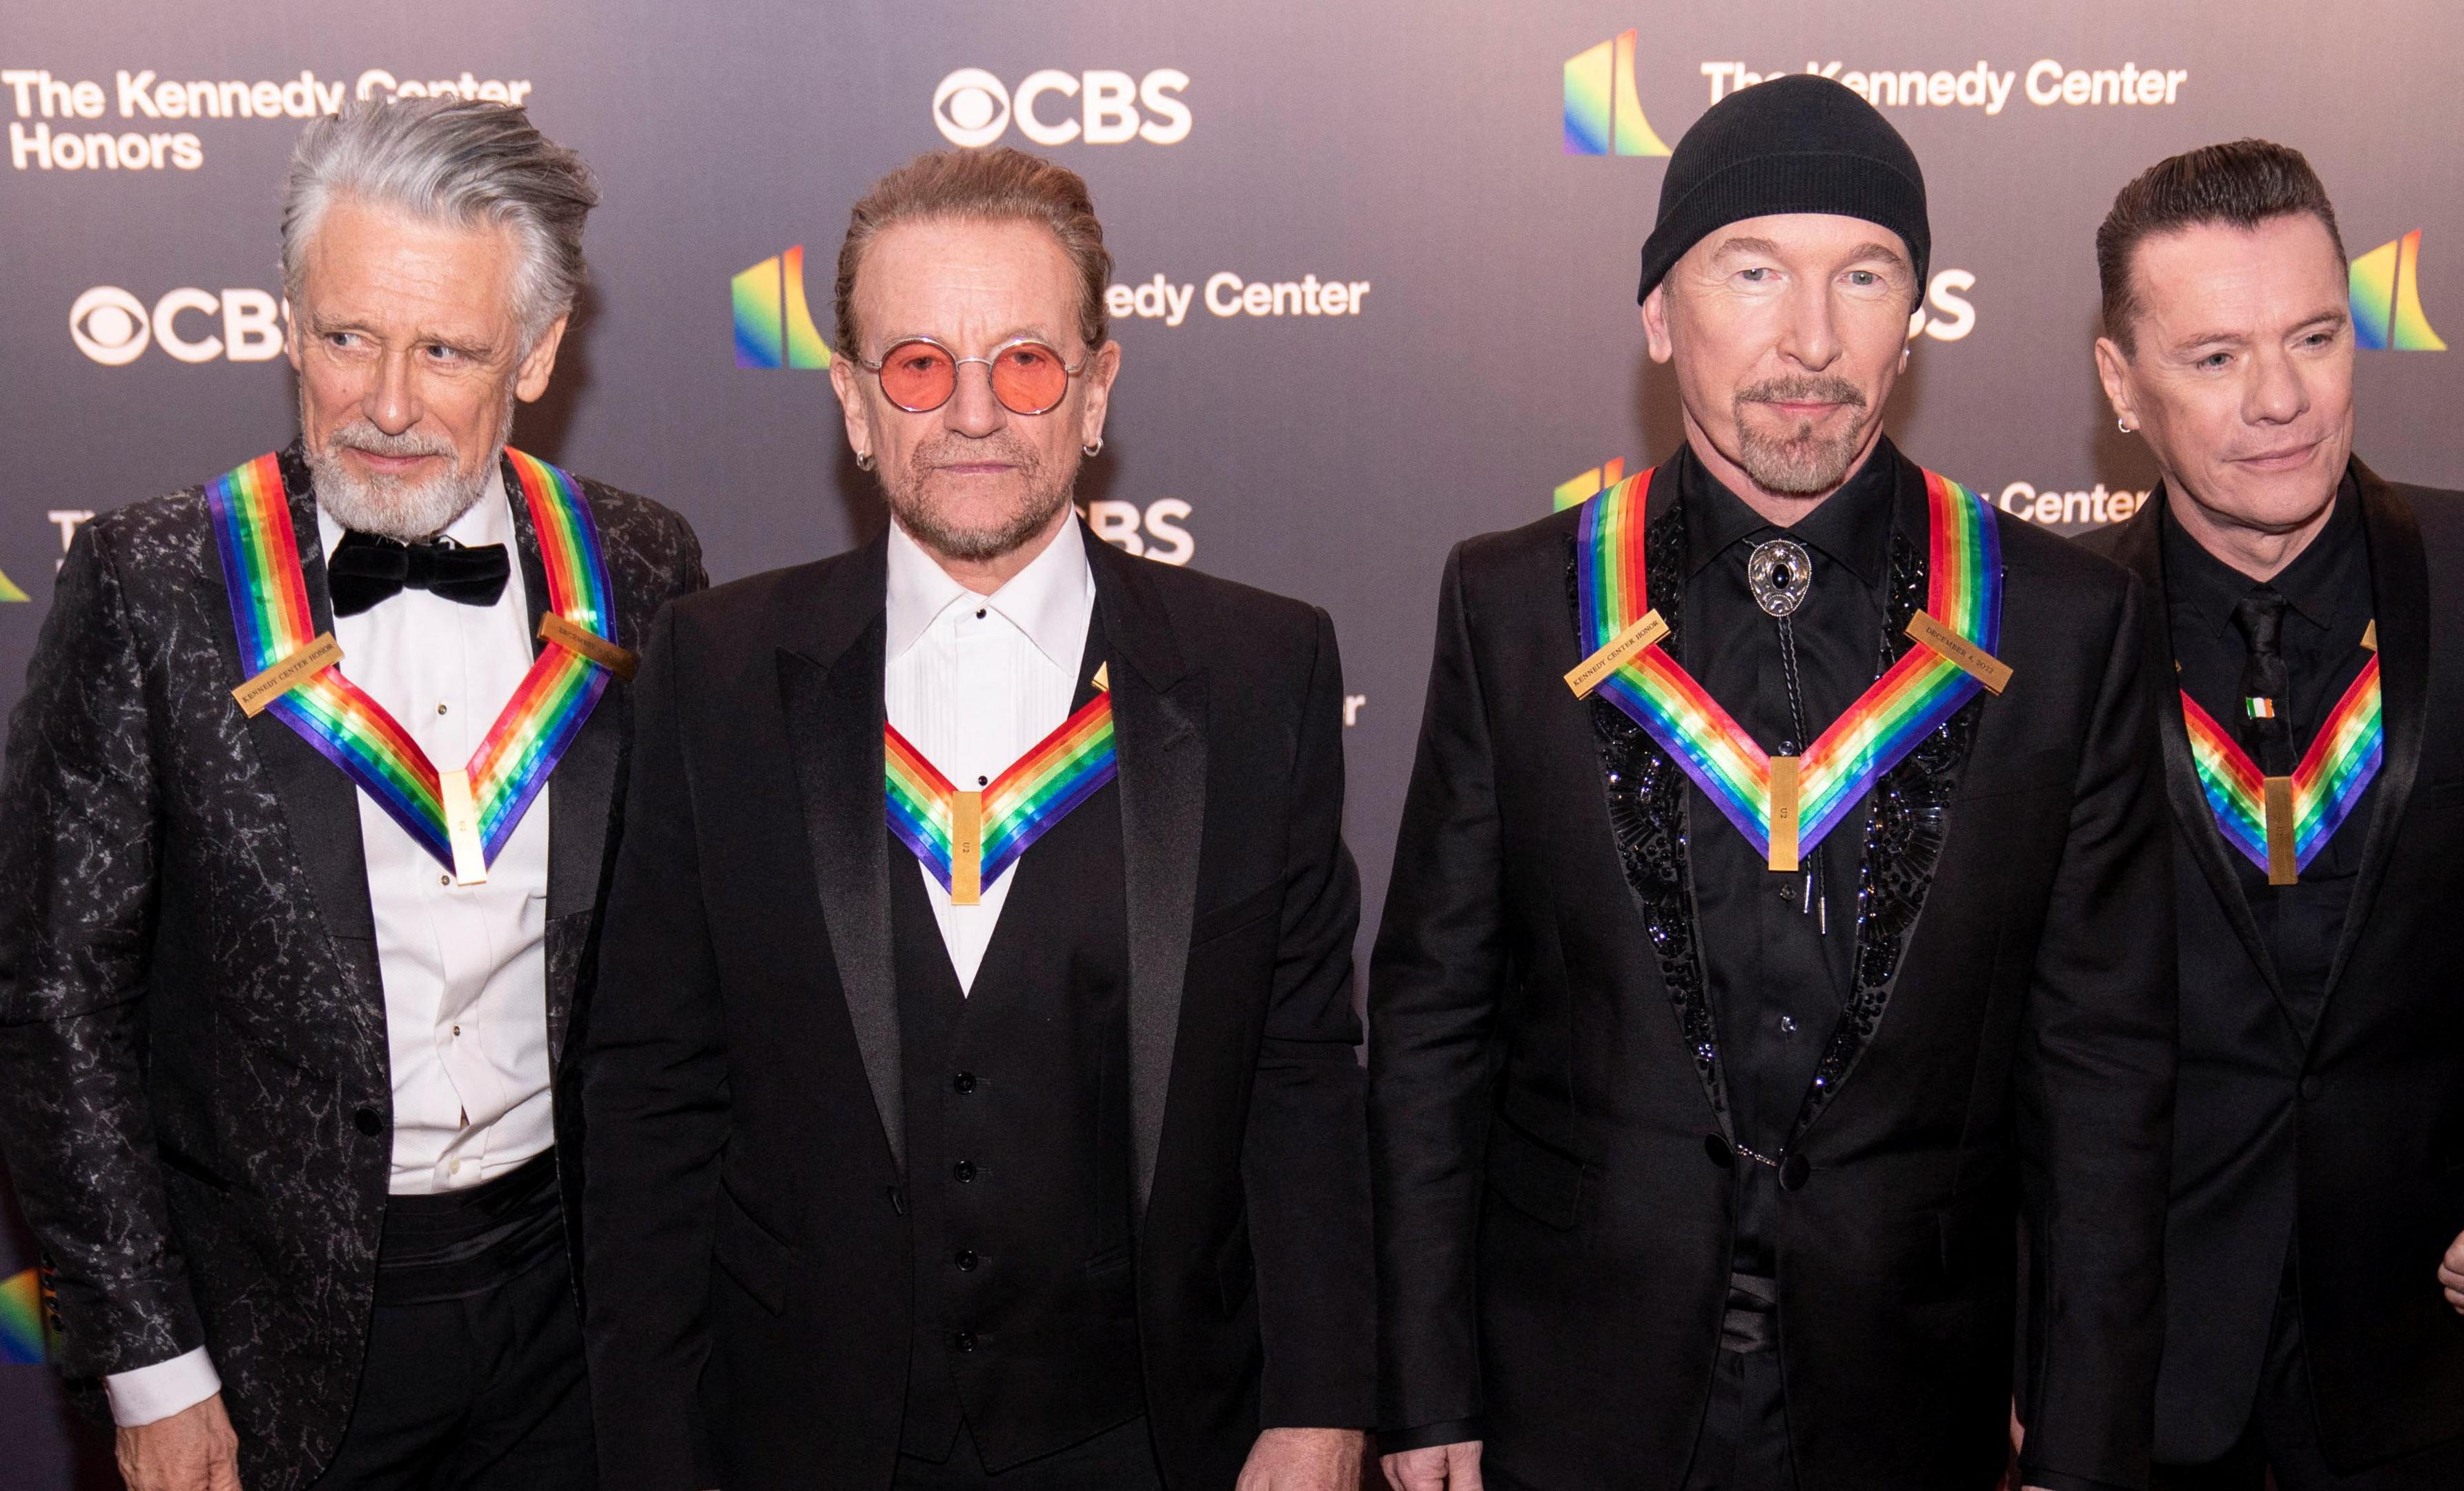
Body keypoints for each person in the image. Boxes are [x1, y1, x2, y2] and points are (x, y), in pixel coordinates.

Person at [1369, 75, 2178, 1491]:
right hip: (1572, 1391)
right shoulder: (1515, 602)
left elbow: (2101, 1065)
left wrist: (2087, 1429)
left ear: (1915, 317)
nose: (1811, 339)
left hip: (1914, 1401)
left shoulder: (2061, 623)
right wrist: (1427, 1393)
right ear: (1659, 314)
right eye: (1755, 272)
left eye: (1864, 276)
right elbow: (1437, 1022)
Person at [577, 145, 1371, 1491]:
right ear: (851, 401)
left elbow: (1299, 1070)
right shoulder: (713, 672)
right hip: (804, 1438)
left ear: (1098, 386)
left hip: (1150, 1435)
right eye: (919, 365)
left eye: (1025, 361)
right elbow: (652, 1090)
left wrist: (1319, 1402)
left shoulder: (1258, 672)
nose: (975, 414)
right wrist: (656, 1448)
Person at [0, 97, 706, 1491]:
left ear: (541, 352)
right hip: (268, 1333)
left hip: (576, 1313)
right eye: (346, 338)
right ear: (288, 325)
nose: (386, 402)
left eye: (444, 349)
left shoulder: (639, 560)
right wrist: (149, 1362)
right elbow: (53, 998)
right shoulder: (154, 587)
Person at [2079, 139, 2464, 1491]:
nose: (2279, 399)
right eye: (2215, 356)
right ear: (2122, 384)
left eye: (2316, 337)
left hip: (2425, 1369)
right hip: (2129, 1388)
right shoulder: (2044, 632)